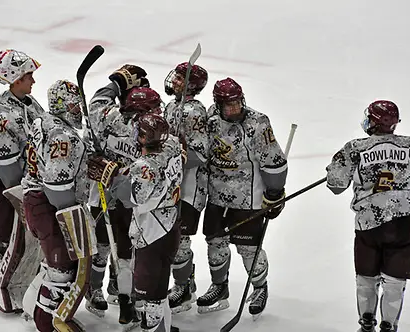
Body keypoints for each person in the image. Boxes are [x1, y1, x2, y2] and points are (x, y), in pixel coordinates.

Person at [197, 77, 288, 318]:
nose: (234, 109)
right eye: (229, 105)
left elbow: (274, 160)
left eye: (238, 103)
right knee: (215, 242)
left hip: (248, 200)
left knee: (248, 247)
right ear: (217, 104)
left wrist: (275, 193)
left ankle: (259, 287)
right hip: (216, 197)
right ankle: (219, 286)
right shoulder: (211, 120)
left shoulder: (258, 123)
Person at [326, 100, 410, 332]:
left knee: (366, 278)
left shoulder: (355, 148)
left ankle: (366, 324)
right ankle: (389, 326)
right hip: (405, 224)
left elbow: (336, 185)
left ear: (373, 121)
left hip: (369, 225)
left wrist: (334, 172)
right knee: (395, 283)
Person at [87, 112, 183, 332]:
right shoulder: (172, 148)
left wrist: (111, 177)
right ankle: (164, 327)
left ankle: (155, 329)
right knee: (158, 283)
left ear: (142, 137)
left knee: (152, 293)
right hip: (170, 225)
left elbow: (132, 197)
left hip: (152, 232)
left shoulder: (144, 166)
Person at [21, 79, 94, 332]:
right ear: (62, 106)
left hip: (34, 201)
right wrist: (75, 221)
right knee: (62, 270)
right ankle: (47, 324)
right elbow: (57, 186)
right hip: (49, 207)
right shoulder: (63, 136)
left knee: (57, 265)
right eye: (74, 106)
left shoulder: (43, 120)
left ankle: (37, 307)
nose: (78, 111)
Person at [85, 64, 153, 328]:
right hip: (127, 199)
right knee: (120, 251)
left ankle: (109, 293)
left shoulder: (110, 114)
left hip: (116, 195)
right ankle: (122, 300)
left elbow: (96, 103)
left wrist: (116, 83)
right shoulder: (151, 126)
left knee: (109, 248)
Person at [0, 49, 45, 313]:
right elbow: (6, 167)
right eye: (29, 75)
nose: (33, 80)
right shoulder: (2, 113)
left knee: (27, 240)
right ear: (15, 78)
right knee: (6, 238)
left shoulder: (29, 103)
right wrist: (23, 195)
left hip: (27, 184)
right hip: (5, 187)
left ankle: (18, 285)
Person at [163, 62, 209, 313]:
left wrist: (173, 155)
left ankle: (182, 288)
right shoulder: (171, 106)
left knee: (179, 239)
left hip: (190, 187)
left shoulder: (194, 111)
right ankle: (186, 282)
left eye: (181, 78)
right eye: (177, 76)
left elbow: (200, 155)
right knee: (173, 236)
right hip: (173, 184)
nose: (176, 81)